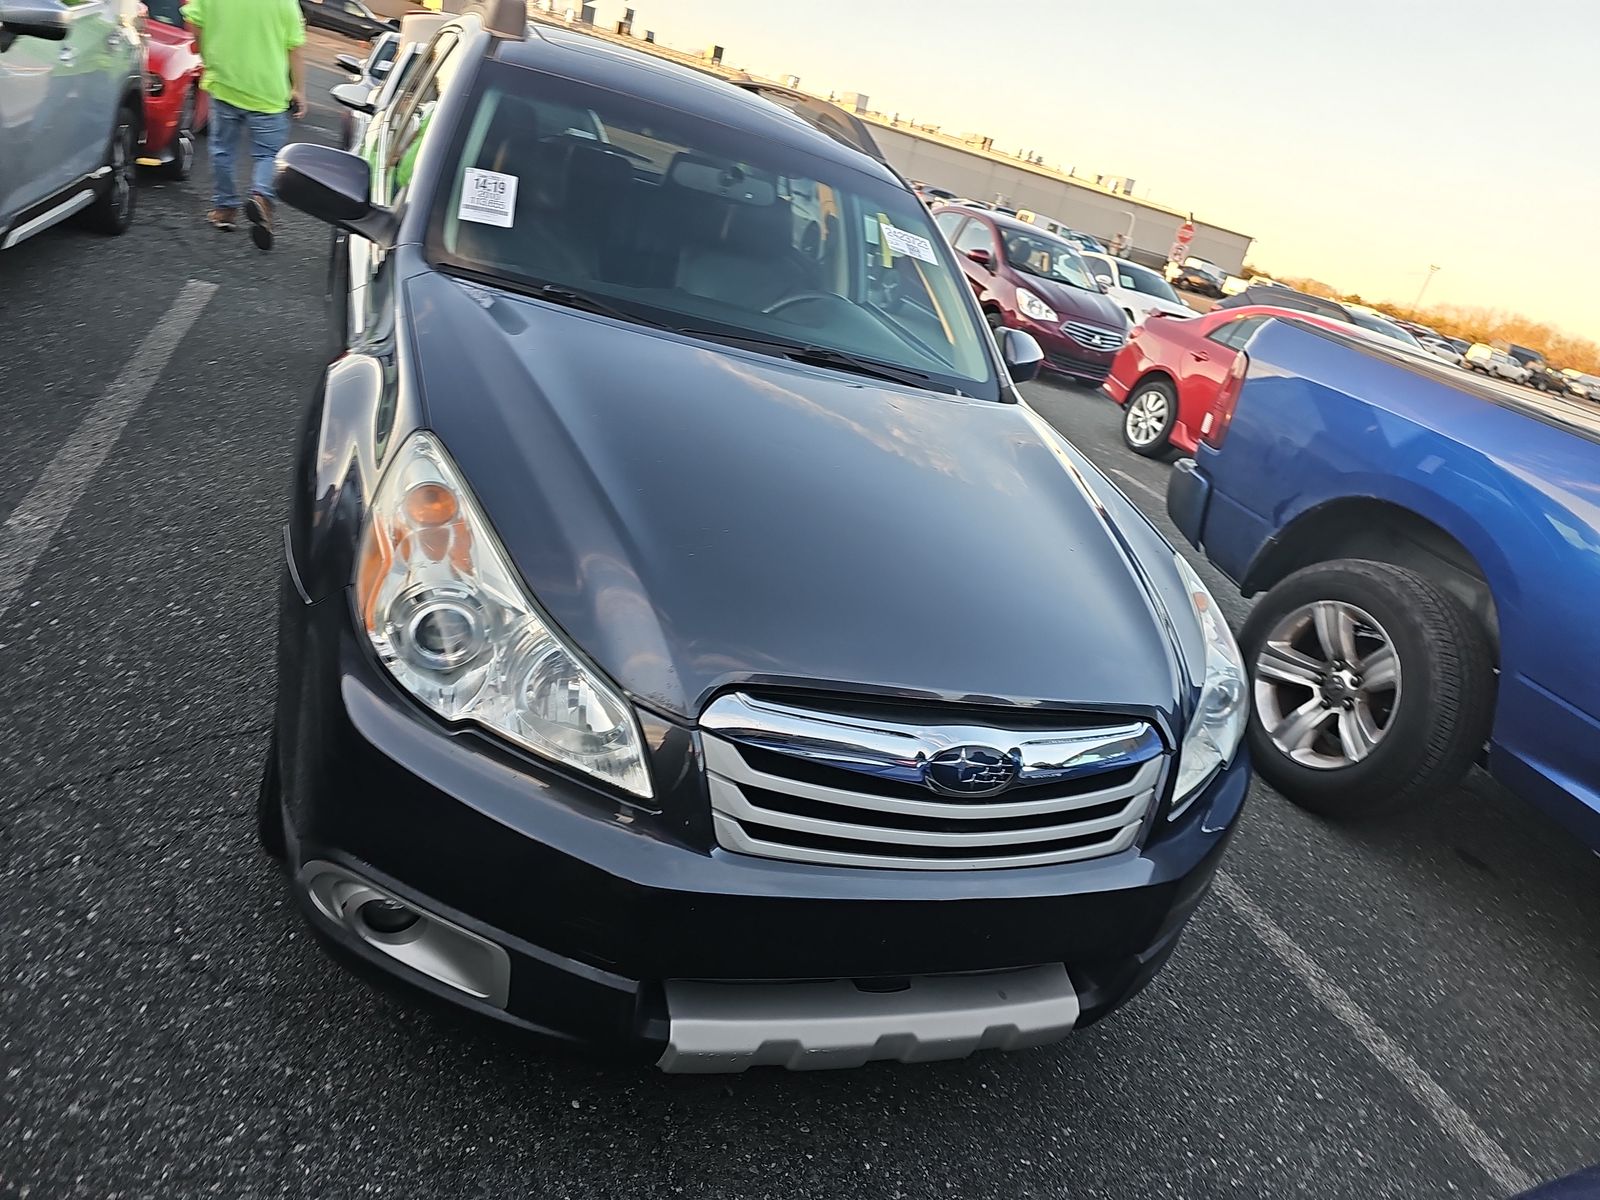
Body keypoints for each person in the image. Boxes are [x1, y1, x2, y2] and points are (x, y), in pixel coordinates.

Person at [179, 0, 306, 250]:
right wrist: (299, 89)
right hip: (268, 93)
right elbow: (295, 48)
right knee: (268, 155)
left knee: (222, 150)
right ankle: (261, 196)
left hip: (224, 83)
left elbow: (193, 23)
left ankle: (224, 209)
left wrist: (209, 56)